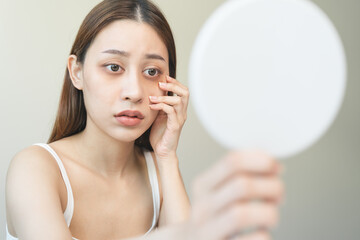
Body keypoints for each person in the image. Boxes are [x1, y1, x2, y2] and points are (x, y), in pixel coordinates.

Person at [5, 0, 284, 239]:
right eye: (114, 67)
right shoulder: (35, 168)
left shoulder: (157, 173)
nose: (134, 92)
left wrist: (166, 156)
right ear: (76, 72)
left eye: (151, 72)